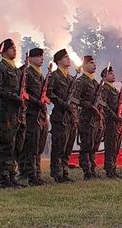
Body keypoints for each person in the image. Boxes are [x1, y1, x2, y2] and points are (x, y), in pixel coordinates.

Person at [0, 39, 26, 188]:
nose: (14, 50)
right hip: (5, 112)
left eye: (15, 48)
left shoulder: (16, 70)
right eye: (11, 48)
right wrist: (13, 97)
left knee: (13, 145)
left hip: (16, 113)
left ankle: (11, 175)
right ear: (3, 51)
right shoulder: (0, 68)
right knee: (5, 144)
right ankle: (3, 177)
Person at [48, 48, 77, 183]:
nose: (68, 59)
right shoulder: (54, 76)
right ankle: (57, 173)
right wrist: (61, 102)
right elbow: (49, 93)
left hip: (70, 116)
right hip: (59, 115)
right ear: (58, 61)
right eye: (65, 57)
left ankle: (65, 172)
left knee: (67, 146)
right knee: (58, 146)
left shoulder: (71, 78)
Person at [23, 48, 49, 186]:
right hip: (31, 114)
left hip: (41, 114)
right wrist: (37, 101)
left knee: (39, 146)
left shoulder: (41, 75)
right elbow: (24, 92)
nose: (41, 58)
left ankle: (37, 174)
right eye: (38, 56)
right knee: (32, 146)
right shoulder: (27, 73)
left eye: (42, 56)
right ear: (30, 59)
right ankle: (31, 174)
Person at [76, 55, 103, 180]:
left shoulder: (96, 83)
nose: (94, 65)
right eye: (91, 63)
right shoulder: (81, 81)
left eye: (95, 62)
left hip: (96, 119)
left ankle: (93, 168)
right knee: (86, 145)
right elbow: (76, 99)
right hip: (86, 118)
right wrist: (90, 106)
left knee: (94, 146)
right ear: (84, 65)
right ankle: (86, 171)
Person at [101, 67, 122, 179]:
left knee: (115, 146)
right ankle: (109, 170)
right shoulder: (104, 89)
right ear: (104, 77)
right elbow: (105, 106)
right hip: (110, 121)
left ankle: (113, 169)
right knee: (110, 146)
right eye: (110, 73)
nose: (113, 75)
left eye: (113, 73)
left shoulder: (115, 90)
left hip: (116, 122)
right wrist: (115, 117)